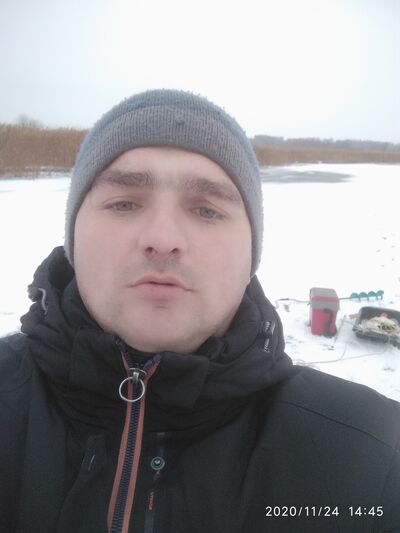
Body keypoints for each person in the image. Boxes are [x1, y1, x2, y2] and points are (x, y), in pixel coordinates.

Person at [0, 89, 399, 533]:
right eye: (124, 203)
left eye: (207, 210)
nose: (163, 239)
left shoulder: (373, 456)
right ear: (73, 237)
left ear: (251, 255)